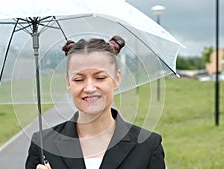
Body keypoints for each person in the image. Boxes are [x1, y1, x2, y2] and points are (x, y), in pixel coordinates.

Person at [25, 36, 165, 169]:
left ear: (116, 79)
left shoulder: (147, 146)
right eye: (79, 79)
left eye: (100, 77)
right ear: (68, 82)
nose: (90, 88)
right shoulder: (43, 144)